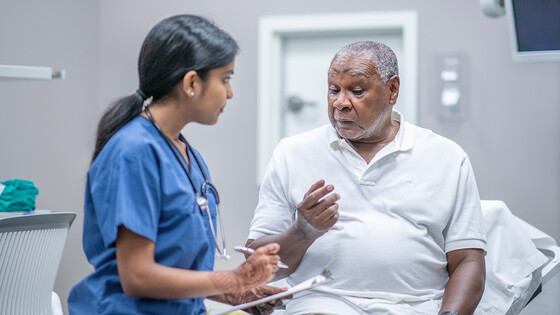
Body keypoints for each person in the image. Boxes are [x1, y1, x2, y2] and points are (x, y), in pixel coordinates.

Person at [246, 41, 486, 315]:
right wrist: (302, 232)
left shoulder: (446, 157)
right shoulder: (292, 154)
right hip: (321, 307)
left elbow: (468, 260)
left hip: (416, 309)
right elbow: (255, 269)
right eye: (333, 90)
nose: (340, 103)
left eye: (356, 91)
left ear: (392, 90)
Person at [68, 14, 286, 315]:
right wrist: (232, 279)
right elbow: (137, 277)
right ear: (192, 82)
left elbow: (176, 268)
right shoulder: (133, 152)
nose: (230, 92)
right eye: (225, 79)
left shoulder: (188, 156)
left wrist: (238, 293)